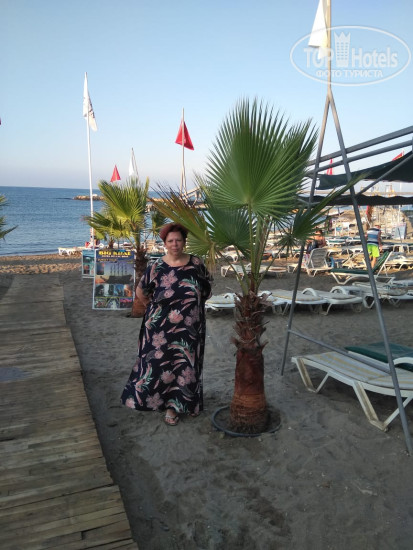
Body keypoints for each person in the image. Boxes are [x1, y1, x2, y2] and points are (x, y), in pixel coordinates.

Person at [120, 223, 212, 426]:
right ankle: (169, 406)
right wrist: (152, 309)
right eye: (170, 241)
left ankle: (187, 404)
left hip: (189, 327)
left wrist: (191, 307)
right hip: (159, 328)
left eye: (178, 240)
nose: (175, 244)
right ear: (165, 244)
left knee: (186, 365)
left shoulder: (196, 263)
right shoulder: (156, 267)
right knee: (160, 365)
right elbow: (141, 291)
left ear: (184, 242)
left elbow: (207, 289)